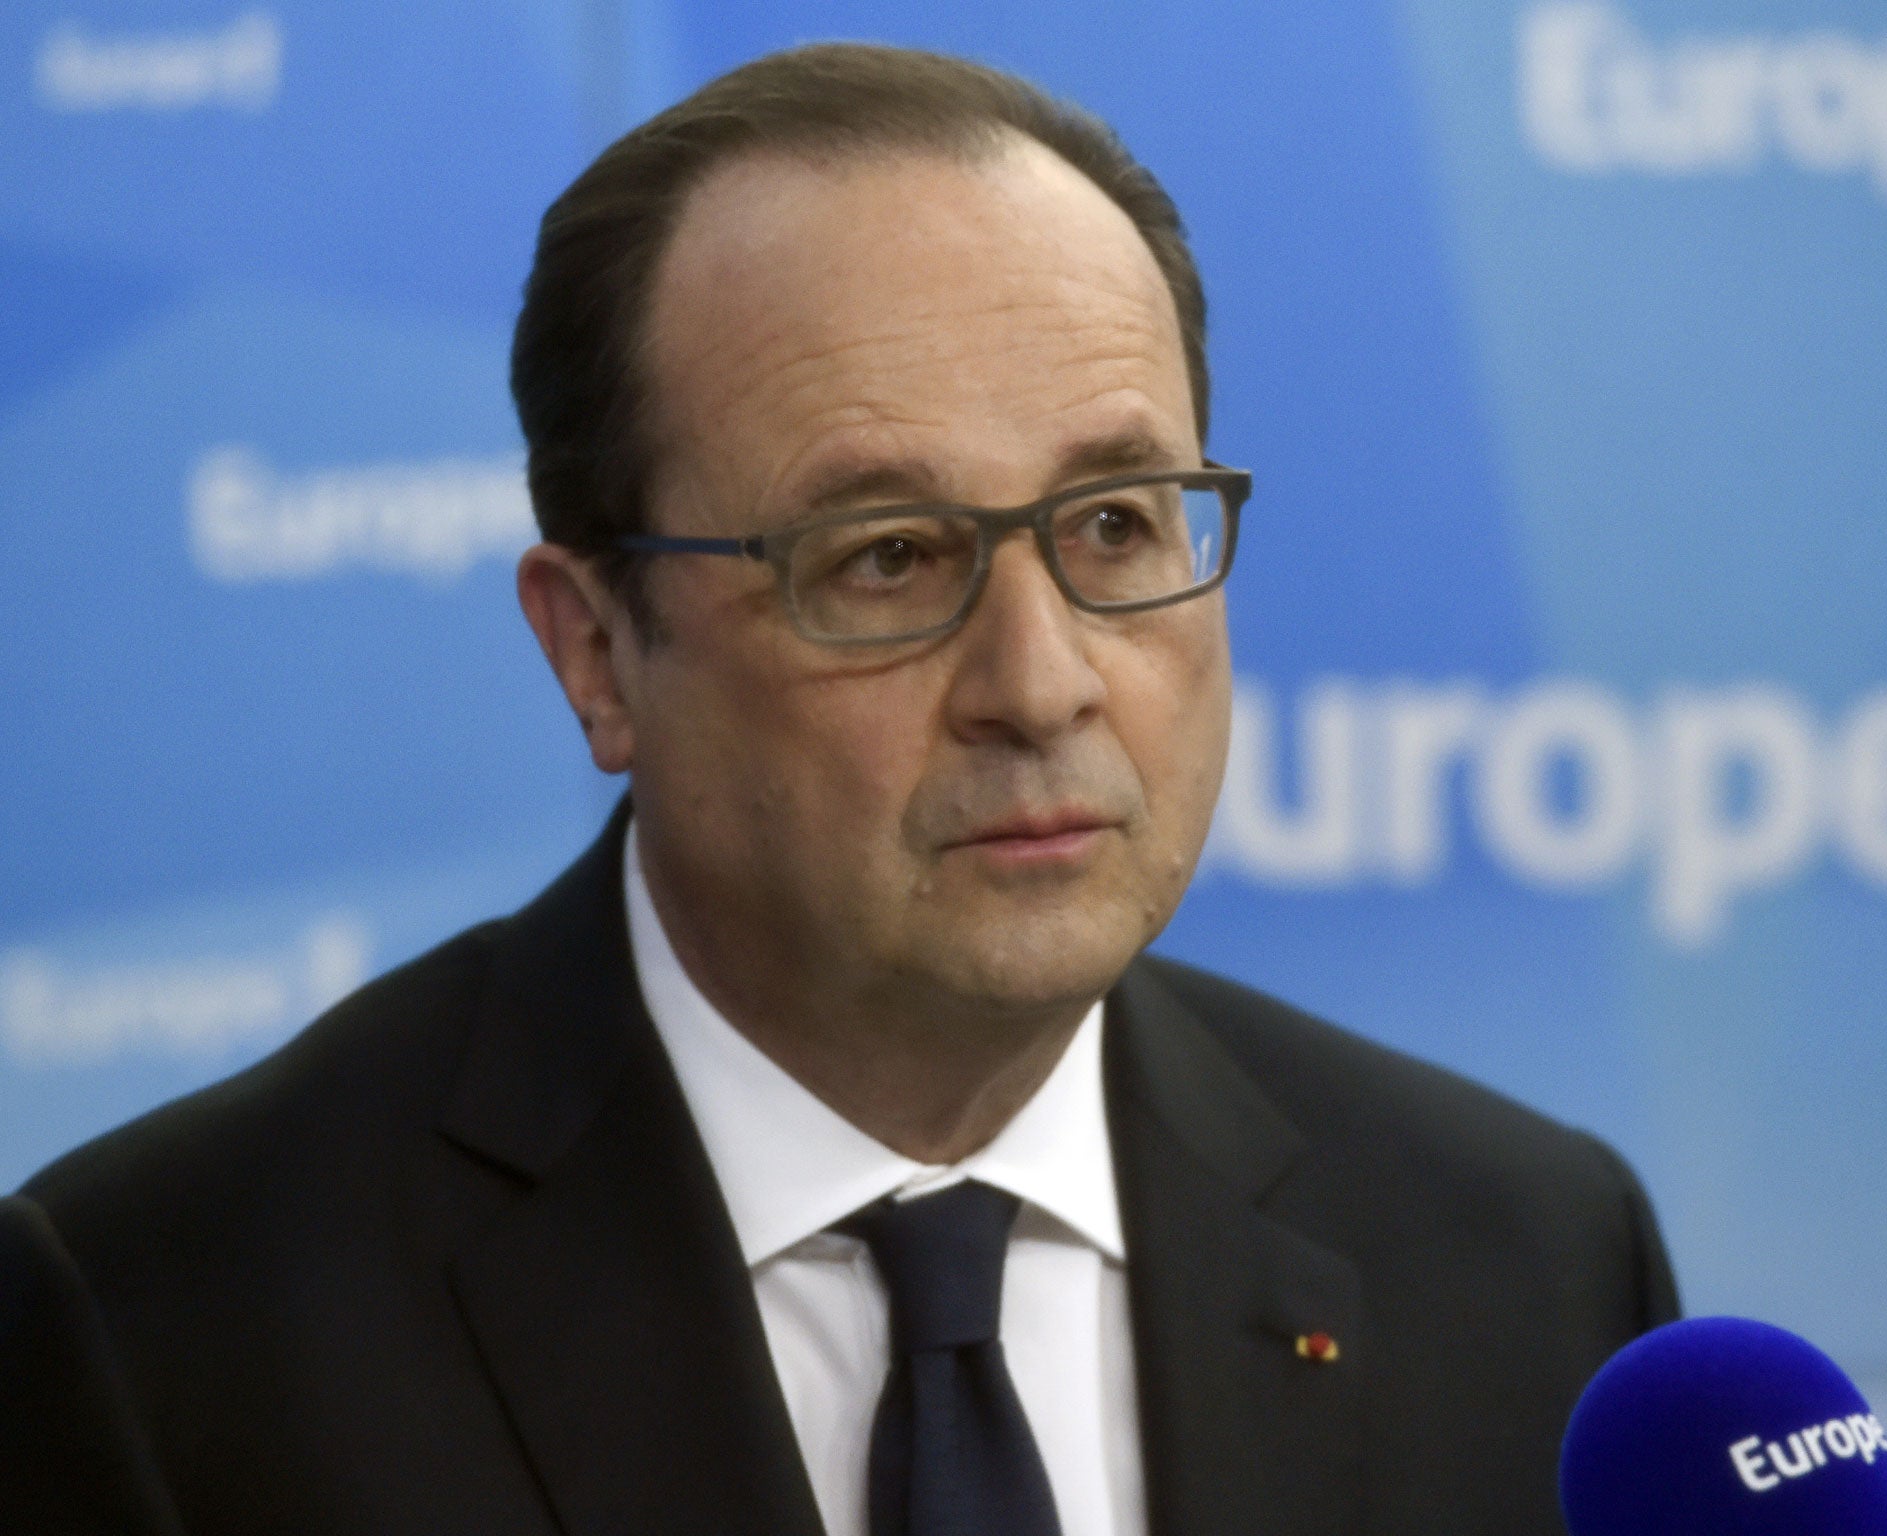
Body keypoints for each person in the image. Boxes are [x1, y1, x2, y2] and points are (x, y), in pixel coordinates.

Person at [0, 42, 1677, 1536]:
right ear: (596, 652)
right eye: (885, 558)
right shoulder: (166, 1334)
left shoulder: (1529, 1271)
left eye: (1116, 527)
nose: (1042, 682)